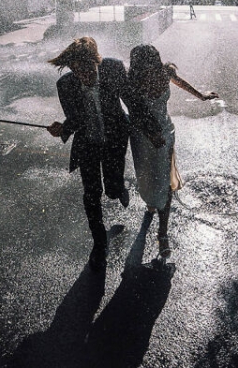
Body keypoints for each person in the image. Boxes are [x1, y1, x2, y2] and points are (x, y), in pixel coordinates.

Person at [47, 37, 160, 271]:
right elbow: (75, 118)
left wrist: (153, 130)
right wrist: (63, 128)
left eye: (88, 69)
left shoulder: (113, 69)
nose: (84, 75)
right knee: (91, 193)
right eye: (78, 71)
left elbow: (133, 103)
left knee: (110, 189)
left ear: (96, 61)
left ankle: (119, 188)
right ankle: (99, 244)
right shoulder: (65, 85)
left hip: (115, 140)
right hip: (87, 144)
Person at [127, 44, 218, 259]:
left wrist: (201, 95)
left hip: (165, 133)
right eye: (146, 64)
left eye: (153, 61)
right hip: (141, 136)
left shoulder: (165, 72)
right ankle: (151, 203)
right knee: (146, 175)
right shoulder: (131, 81)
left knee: (165, 179)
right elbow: (133, 111)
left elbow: (179, 82)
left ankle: (162, 233)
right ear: (138, 66)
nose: (151, 68)